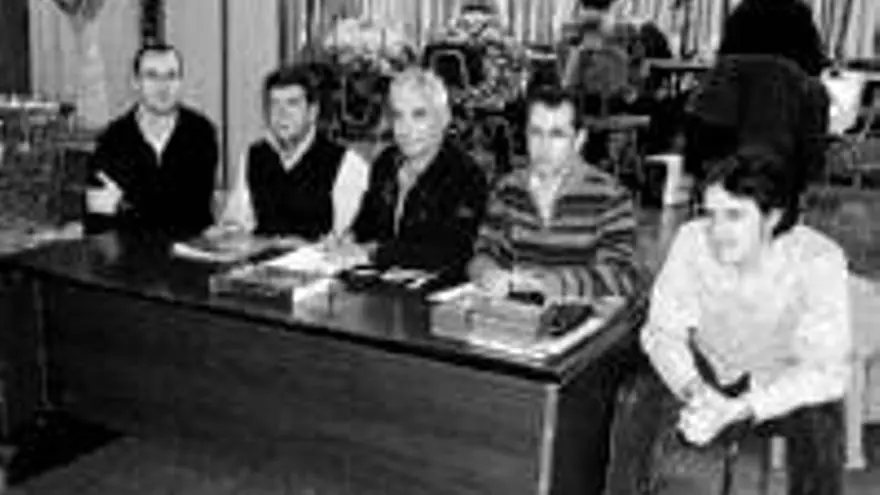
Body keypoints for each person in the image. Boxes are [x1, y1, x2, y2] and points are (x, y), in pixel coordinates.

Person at [607, 147, 850, 495]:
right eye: (710, 214)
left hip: (775, 376)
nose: (717, 231)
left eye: (734, 216)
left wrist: (740, 408)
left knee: (822, 418)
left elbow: (827, 370)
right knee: (639, 395)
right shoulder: (692, 239)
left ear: (772, 217)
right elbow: (662, 331)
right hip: (706, 367)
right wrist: (694, 389)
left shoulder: (819, 259)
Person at [468, 84, 642, 302]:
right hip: (516, 313)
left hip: (578, 314)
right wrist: (485, 273)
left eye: (557, 135)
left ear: (579, 140)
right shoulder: (507, 190)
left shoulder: (610, 196)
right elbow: (484, 252)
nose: (544, 147)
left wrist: (547, 284)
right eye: (536, 133)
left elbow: (623, 276)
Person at [351, 67, 487, 278]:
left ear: (444, 118)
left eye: (419, 115)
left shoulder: (466, 175)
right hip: (377, 281)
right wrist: (346, 240)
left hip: (435, 291)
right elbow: (364, 228)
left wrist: (377, 252)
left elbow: (452, 252)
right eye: (398, 116)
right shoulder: (386, 162)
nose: (406, 129)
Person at [212, 64, 370, 244]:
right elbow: (237, 222)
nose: (282, 114)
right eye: (274, 104)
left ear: (312, 112)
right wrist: (227, 233)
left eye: (292, 104)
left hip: (315, 260)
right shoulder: (253, 156)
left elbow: (348, 241)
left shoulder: (347, 164)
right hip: (260, 259)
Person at [85, 43, 219, 240]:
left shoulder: (200, 133)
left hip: (189, 252)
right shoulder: (112, 140)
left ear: (180, 82)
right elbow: (98, 220)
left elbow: (192, 213)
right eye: (152, 76)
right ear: (135, 83)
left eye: (171, 76)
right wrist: (134, 206)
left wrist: (125, 204)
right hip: (129, 254)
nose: (163, 87)